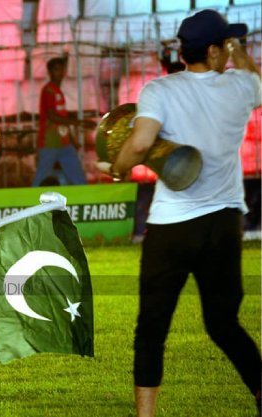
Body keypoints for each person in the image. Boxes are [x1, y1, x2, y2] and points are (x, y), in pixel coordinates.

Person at [97, 10, 261, 417]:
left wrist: (117, 169)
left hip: (171, 226)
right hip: (223, 224)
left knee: (152, 328)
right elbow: (253, 76)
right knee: (223, 324)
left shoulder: (160, 90)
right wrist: (238, 49)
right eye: (225, 45)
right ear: (214, 50)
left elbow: (139, 145)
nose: (230, 52)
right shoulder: (241, 86)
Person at [32, 56, 96, 187]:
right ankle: (31, 198)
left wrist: (71, 139)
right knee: (42, 175)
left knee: (77, 174)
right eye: (56, 70)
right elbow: (52, 116)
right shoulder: (48, 90)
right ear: (50, 72)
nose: (60, 73)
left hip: (63, 142)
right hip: (49, 142)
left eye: (62, 70)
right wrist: (78, 122)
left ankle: (85, 196)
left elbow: (62, 118)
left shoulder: (57, 92)